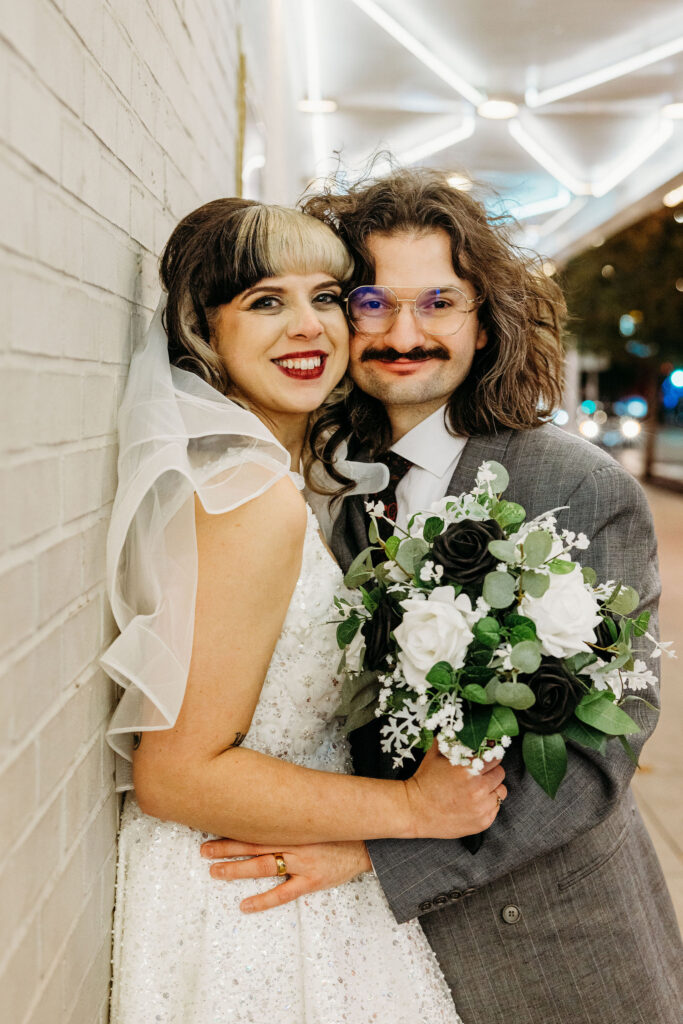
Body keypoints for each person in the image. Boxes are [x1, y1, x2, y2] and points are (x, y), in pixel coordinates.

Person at [204, 170, 683, 1024]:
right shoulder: (334, 487)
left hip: (553, 945)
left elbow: (589, 763)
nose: (404, 333)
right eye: (372, 303)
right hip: (383, 959)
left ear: (483, 320)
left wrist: (374, 856)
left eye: (438, 303)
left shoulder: (576, 486)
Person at [102, 197, 508, 1024]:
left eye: (325, 297)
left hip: (278, 870)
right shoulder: (251, 499)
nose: (308, 327)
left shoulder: (270, 480)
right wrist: (413, 810)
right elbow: (174, 772)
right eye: (264, 301)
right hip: (244, 896)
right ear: (201, 332)